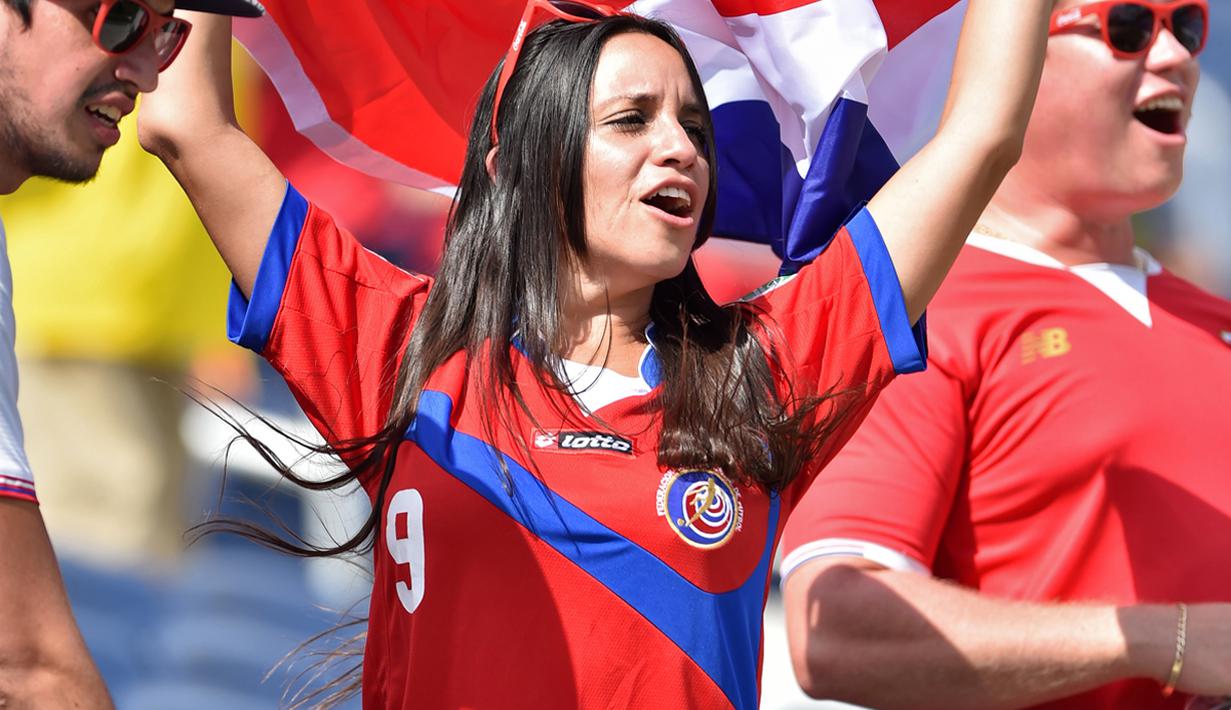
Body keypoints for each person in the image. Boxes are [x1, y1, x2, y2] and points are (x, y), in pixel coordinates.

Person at [138, 0, 1051, 707]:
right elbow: (186, 123)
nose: (681, 151)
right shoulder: (401, 348)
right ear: (517, 158)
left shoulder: (759, 374)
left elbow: (979, 138)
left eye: (694, 129)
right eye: (632, 120)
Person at [779, 1, 1231, 709]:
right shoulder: (914, 309)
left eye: (1190, 27)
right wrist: (1162, 639)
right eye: (1130, 27)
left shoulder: (1213, 317)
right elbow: (832, 627)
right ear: (1012, 61)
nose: (1176, 57)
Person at [0, 0, 262, 705]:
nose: (147, 72)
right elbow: (25, 668)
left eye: (168, 33)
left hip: (150, 340)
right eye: (117, 19)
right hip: (66, 332)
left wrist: (211, 332)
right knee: (107, 611)